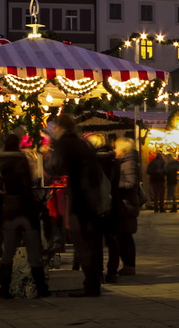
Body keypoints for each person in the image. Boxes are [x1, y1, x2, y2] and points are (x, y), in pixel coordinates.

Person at [46, 114, 108, 297]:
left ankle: (90, 284)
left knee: (82, 243)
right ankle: (94, 281)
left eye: (55, 127)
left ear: (62, 128)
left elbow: (54, 168)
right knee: (92, 242)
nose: (53, 131)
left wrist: (49, 156)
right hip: (91, 199)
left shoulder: (64, 144)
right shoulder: (82, 144)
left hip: (79, 200)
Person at [0, 132, 51, 299]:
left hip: (7, 210)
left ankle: (4, 289)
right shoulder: (22, 159)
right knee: (33, 249)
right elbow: (27, 184)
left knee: (8, 251)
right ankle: (41, 287)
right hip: (24, 210)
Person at [106, 137, 142, 282]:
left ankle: (129, 266)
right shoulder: (125, 162)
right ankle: (128, 265)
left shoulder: (129, 163)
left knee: (125, 235)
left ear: (123, 148)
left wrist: (113, 185)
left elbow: (131, 184)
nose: (114, 150)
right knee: (124, 235)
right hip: (125, 203)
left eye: (116, 147)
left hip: (126, 204)